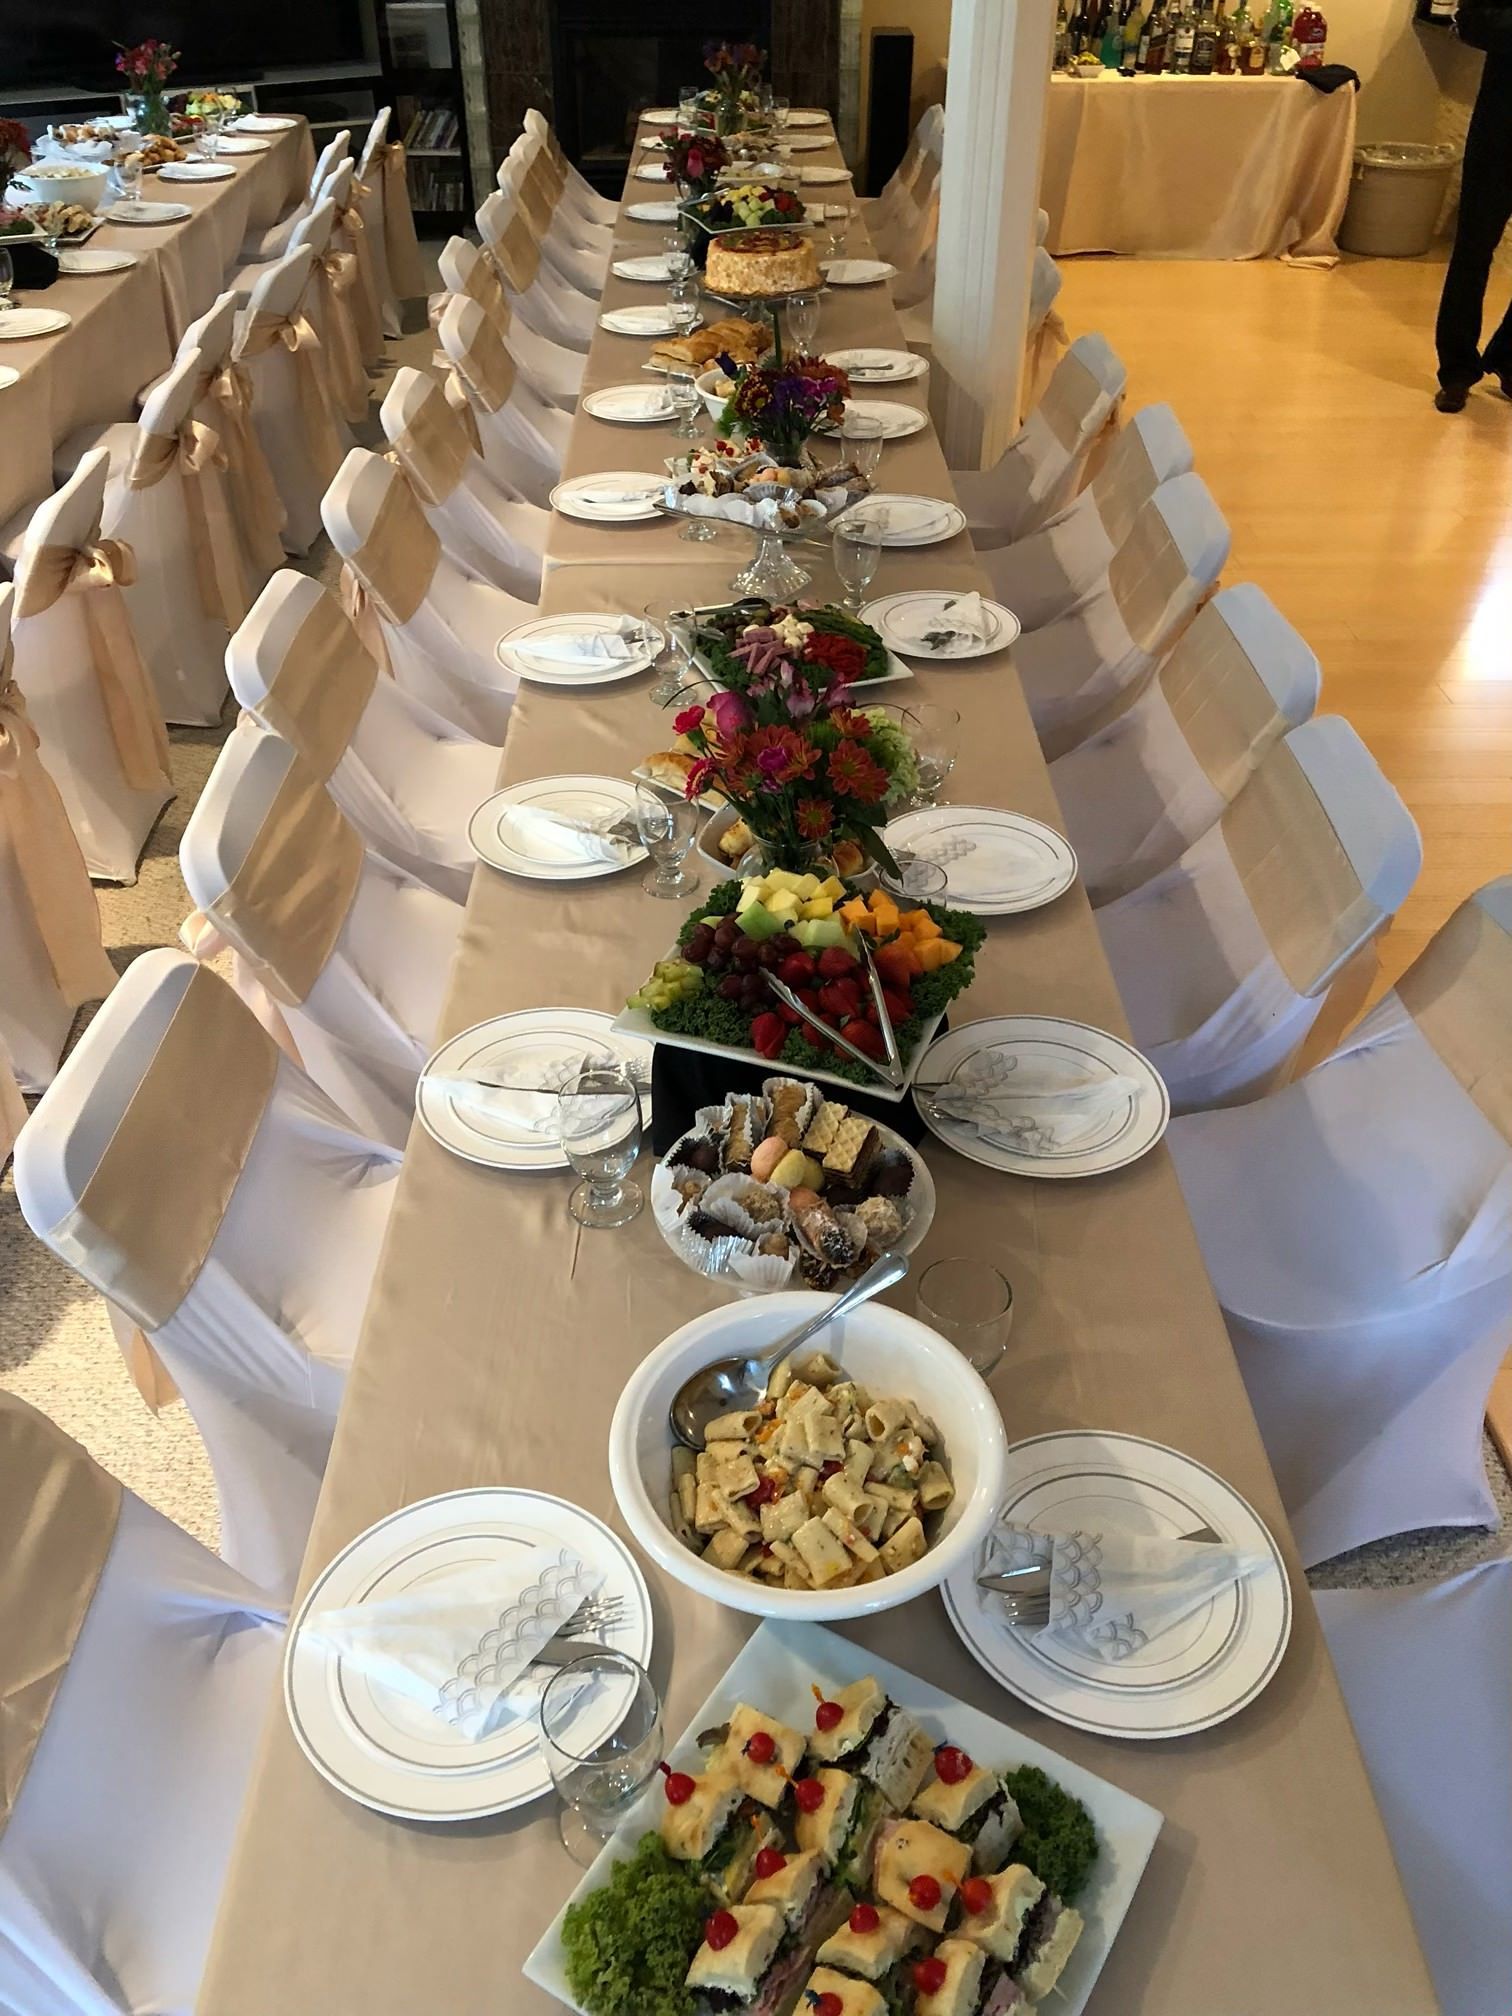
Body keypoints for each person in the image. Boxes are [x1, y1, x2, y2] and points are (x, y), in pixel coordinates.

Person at [1435, 0, 1512, 410]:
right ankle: (1457, 370)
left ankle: (1510, 358)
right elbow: (1473, 21)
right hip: (1502, 127)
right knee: (1473, 249)